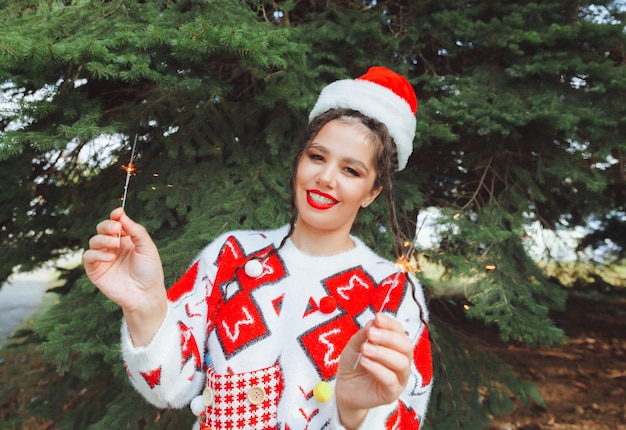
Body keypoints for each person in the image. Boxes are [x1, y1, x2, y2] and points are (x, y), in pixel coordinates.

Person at [83, 66, 433, 430]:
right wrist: (146, 306)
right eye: (317, 157)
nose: (325, 177)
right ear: (299, 160)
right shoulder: (232, 255)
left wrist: (358, 412)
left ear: (373, 192)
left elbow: (406, 410)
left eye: (351, 171)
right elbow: (169, 388)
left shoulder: (391, 292)